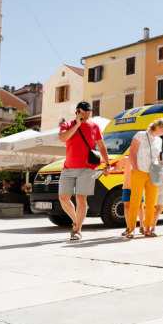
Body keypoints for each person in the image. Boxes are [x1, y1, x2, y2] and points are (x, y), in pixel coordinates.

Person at [58, 101, 111, 241]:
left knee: (81, 199)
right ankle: (76, 221)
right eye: (84, 112)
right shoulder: (67, 125)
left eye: (89, 112)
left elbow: (102, 147)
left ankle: (77, 230)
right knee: (63, 198)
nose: (87, 115)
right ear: (77, 111)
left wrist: (107, 164)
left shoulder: (95, 127)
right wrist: (77, 124)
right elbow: (62, 138)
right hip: (68, 168)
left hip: (88, 168)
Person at [127, 118, 163, 238]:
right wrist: (135, 169)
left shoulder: (159, 140)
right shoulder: (140, 135)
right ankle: (131, 229)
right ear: (157, 127)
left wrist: (160, 172)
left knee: (151, 203)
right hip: (139, 171)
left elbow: (158, 158)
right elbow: (132, 153)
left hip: (154, 173)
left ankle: (148, 229)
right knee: (135, 201)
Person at [117, 154, 145, 237]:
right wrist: (107, 169)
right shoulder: (126, 159)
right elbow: (117, 167)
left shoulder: (141, 158)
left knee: (140, 206)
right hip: (127, 186)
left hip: (138, 186)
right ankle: (129, 227)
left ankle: (142, 226)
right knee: (126, 207)